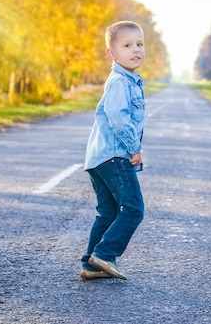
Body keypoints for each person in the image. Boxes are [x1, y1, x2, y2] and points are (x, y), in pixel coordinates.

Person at [80, 21, 146, 280]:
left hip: (99, 158)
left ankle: (91, 264)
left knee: (108, 212)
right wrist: (134, 148)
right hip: (114, 156)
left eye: (139, 44)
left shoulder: (127, 79)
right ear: (112, 53)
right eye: (127, 45)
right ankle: (105, 254)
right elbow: (119, 119)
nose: (135, 50)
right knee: (133, 208)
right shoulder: (120, 81)